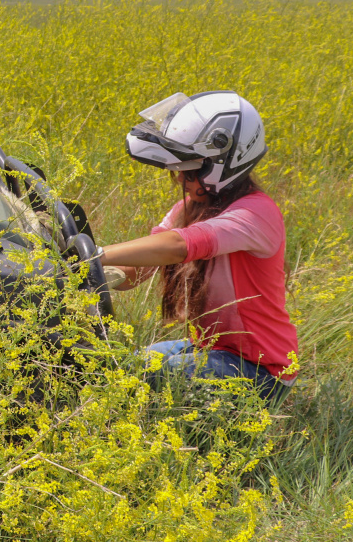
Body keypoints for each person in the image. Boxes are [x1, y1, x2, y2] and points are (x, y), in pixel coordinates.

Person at [101, 91, 298, 405]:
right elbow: (136, 273)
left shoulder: (257, 213)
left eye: (191, 171)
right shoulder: (189, 207)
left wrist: (93, 255)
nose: (180, 177)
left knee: (150, 379)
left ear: (224, 162)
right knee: (115, 368)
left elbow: (179, 245)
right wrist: (89, 275)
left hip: (261, 371)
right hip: (211, 350)